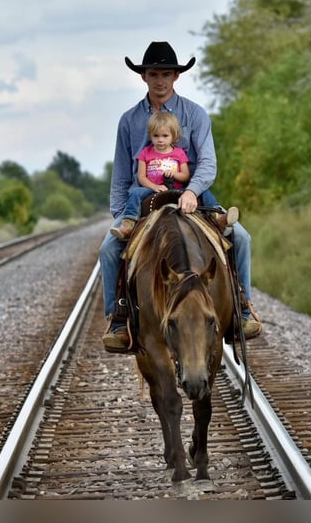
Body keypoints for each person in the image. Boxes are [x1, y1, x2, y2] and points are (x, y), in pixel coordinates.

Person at [99, 41, 262, 353]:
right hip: (144, 196)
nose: (160, 80)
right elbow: (122, 172)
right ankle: (118, 319)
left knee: (241, 237)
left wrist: (191, 191)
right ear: (144, 77)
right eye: (153, 73)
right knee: (109, 249)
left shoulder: (195, 115)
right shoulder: (129, 121)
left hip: (192, 194)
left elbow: (208, 163)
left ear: (176, 77)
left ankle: (242, 309)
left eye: (166, 74)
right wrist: (122, 214)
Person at [109, 110, 239, 240]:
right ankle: (128, 224)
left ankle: (218, 216)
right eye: (156, 136)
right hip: (152, 189)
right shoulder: (145, 153)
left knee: (204, 191)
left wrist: (175, 174)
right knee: (135, 192)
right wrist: (154, 187)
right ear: (150, 136)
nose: (160, 140)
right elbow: (141, 177)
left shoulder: (179, 153)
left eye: (165, 136)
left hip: (177, 189)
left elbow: (185, 176)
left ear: (174, 137)